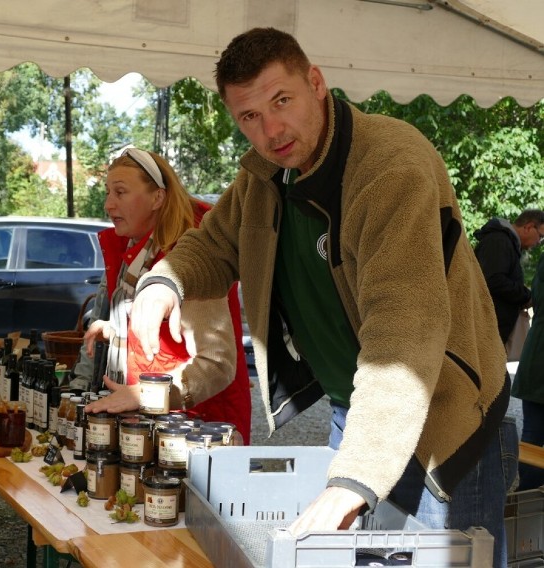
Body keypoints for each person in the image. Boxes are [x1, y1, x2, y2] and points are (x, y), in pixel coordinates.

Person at [128, 27, 515, 566]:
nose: (271, 130)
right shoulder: (267, 177)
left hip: (444, 422)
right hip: (355, 408)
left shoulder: (390, 166)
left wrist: (354, 479)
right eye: (249, 117)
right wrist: (163, 282)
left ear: (316, 83)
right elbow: (213, 245)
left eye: (281, 100)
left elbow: (402, 331)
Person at [79, 147, 252, 441]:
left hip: (198, 433)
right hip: (157, 427)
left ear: (157, 198)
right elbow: (166, 338)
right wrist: (115, 330)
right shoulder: (139, 253)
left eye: (120, 193)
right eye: (108, 192)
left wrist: (146, 393)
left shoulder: (189, 260)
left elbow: (217, 363)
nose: (108, 204)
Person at [474, 209, 544, 343]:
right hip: (485, 330)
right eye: (540, 236)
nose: (539, 243)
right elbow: (494, 280)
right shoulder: (499, 241)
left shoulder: (506, 242)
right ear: (528, 227)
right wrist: (525, 296)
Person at [512, 252, 544, 490]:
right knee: (533, 437)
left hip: (537, 354)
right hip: (539, 358)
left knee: (533, 435)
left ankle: (527, 500)